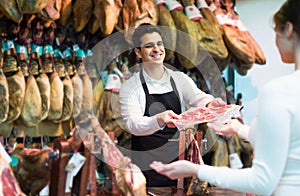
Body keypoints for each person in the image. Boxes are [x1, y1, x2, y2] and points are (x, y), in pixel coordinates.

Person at [150, 0, 300, 195]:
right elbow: (292, 143)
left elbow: (262, 181)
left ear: (288, 29)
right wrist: (239, 129)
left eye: (276, 33)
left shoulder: (278, 90)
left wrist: (197, 170)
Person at [119, 24, 225, 187]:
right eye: (149, 46)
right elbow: (132, 124)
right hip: (148, 170)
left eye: (159, 44)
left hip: (179, 166)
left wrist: (210, 102)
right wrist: (158, 120)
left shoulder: (179, 78)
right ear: (138, 52)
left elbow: (197, 97)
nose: (156, 49)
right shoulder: (131, 86)